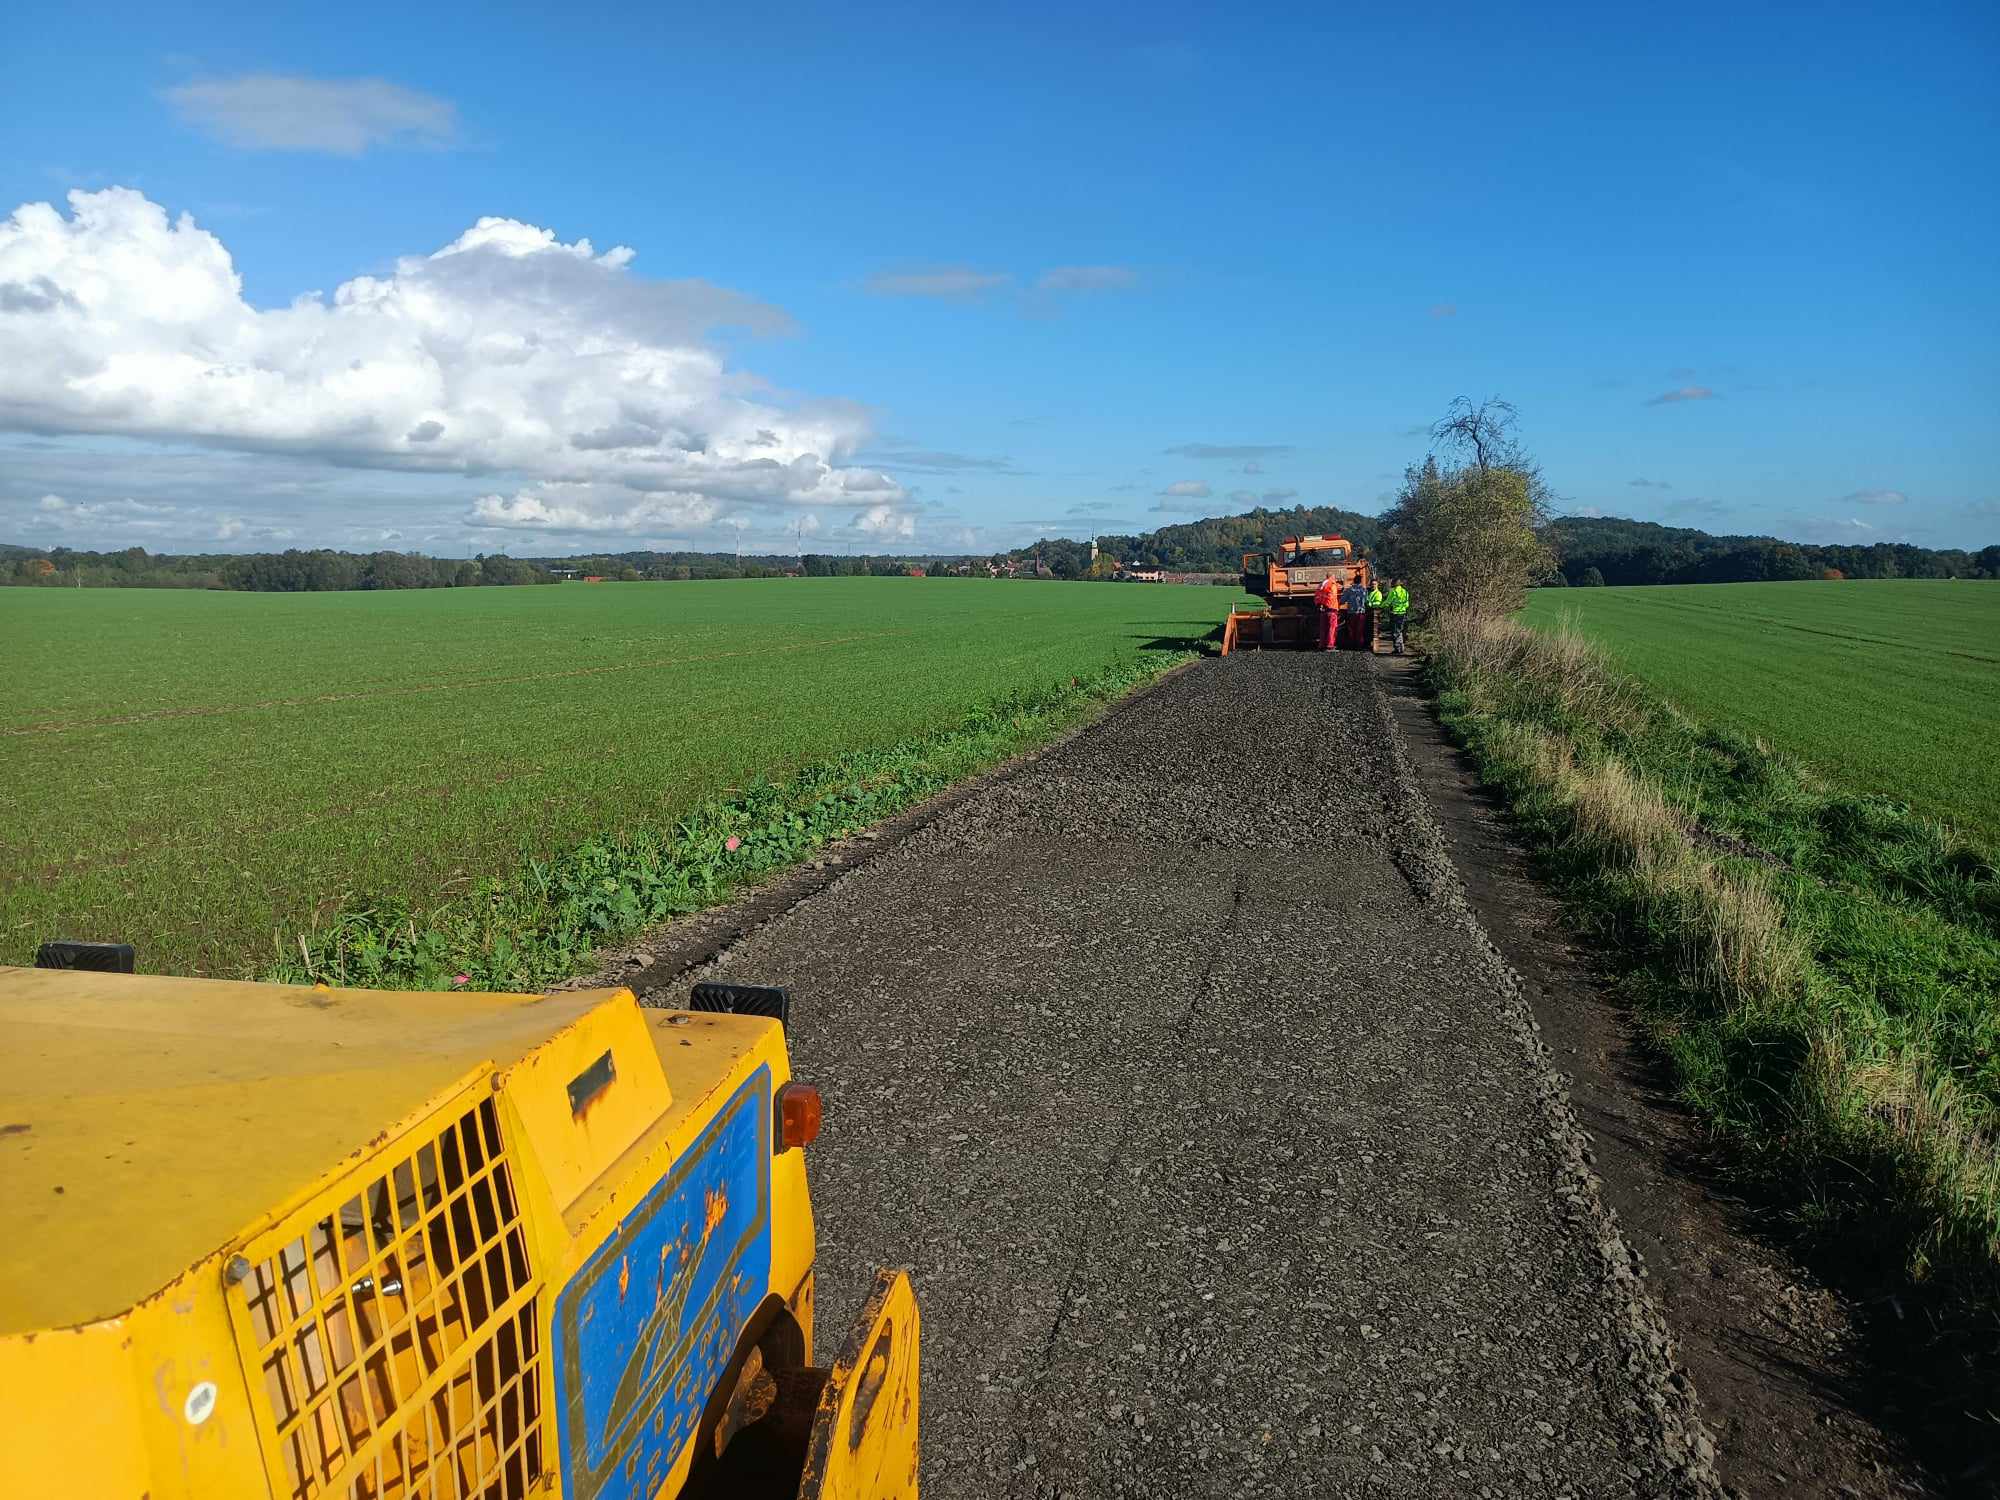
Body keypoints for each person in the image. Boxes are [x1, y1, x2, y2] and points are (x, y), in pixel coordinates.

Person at [1339, 575, 1370, 650]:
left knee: (1351, 629)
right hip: (1361, 612)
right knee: (1360, 629)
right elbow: (1367, 601)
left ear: (1354, 581)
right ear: (1360, 581)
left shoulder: (1349, 590)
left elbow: (1342, 601)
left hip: (1351, 612)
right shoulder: (1364, 590)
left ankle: (1352, 644)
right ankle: (1359, 645)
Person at [1312, 573, 1339, 650]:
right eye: (1334, 577)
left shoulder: (1321, 585)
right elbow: (1332, 596)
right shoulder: (1332, 584)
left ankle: (1321, 645)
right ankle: (1330, 645)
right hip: (1331, 609)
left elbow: (1316, 596)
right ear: (1331, 577)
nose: (1335, 579)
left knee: (1323, 628)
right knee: (1332, 628)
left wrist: (1320, 605)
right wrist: (1329, 605)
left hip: (1323, 609)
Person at [1385, 577, 1411, 654]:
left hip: (1395, 613)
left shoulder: (1393, 591)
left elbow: (1388, 602)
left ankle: (1398, 649)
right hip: (1403, 613)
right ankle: (1401, 647)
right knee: (1400, 630)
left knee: (1395, 631)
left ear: (1394, 584)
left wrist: (1381, 605)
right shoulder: (1405, 592)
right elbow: (1407, 604)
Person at [1366, 578, 1384, 649]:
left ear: (1377, 585)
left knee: (1375, 631)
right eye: (1372, 584)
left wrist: (1369, 603)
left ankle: (1375, 646)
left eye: (1374, 584)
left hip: (1374, 613)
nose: (1373, 585)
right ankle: (1370, 644)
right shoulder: (1371, 592)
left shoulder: (1378, 593)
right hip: (1370, 612)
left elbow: (1377, 603)